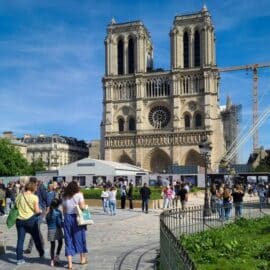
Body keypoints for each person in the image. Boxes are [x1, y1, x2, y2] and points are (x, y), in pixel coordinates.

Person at [15, 181, 44, 265]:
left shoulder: (19, 196)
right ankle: (41, 253)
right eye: (35, 187)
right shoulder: (34, 197)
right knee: (36, 238)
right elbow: (37, 210)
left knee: (20, 240)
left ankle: (19, 259)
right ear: (33, 188)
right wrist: (41, 211)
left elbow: (16, 206)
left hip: (19, 220)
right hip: (31, 220)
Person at [62, 181, 88, 269]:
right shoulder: (79, 195)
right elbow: (82, 207)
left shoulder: (64, 196)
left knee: (68, 240)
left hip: (67, 218)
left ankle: (70, 264)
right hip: (77, 218)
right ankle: (82, 259)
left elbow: (64, 210)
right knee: (80, 238)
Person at [25, 178, 45, 254]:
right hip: (32, 211)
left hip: (40, 211)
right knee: (36, 229)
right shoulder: (29, 189)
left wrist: (47, 209)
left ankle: (30, 248)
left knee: (35, 228)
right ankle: (41, 243)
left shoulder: (41, 189)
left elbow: (46, 199)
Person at [46, 198, 64, 267]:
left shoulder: (48, 212)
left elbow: (47, 222)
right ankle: (57, 255)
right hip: (57, 229)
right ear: (58, 205)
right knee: (60, 242)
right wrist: (63, 225)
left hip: (50, 230)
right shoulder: (58, 212)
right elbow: (59, 222)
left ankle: (52, 260)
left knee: (52, 245)